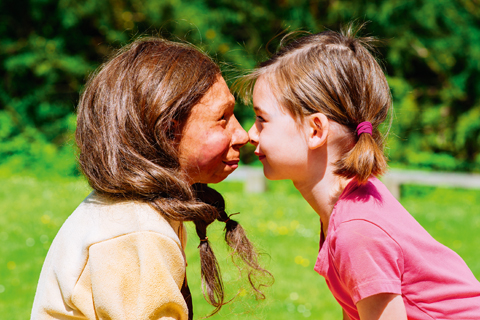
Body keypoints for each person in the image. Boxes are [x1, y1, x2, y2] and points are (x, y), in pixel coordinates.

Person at [237, 26, 480, 319]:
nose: (250, 134)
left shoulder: (357, 230)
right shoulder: (349, 209)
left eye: (262, 119)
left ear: (315, 130)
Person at [31, 37, 270, 320]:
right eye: (223, 118)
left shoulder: (137, 213)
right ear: (168, 131)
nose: (242, 135)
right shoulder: (137, 232)